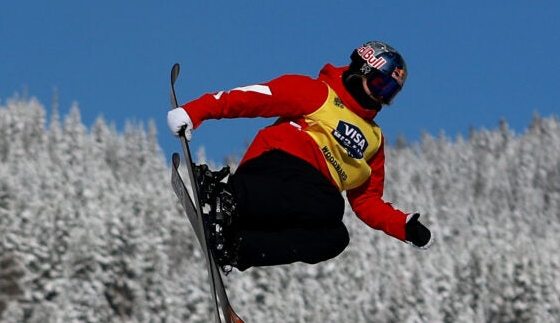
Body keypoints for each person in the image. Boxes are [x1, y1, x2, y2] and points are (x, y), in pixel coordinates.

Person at [166, 43, 433, 269]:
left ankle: (237, 247)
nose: (380, 96)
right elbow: (252, 98)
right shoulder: (319, 94)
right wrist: (195, 112)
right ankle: (227, 195)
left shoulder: (374, 139)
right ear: (360, 72)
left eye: (389, 93)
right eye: (378, 84)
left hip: (306, 201)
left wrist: (403, 226)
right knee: (328, 203)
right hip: (276, 167)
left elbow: (366, 200)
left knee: (335, 238)